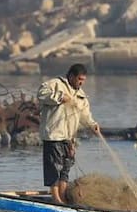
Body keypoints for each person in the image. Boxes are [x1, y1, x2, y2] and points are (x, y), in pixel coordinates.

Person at [37, 63, 101, 204]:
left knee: (65, 168)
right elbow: (41, 94)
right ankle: (56, 199)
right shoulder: (56, 84)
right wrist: (60, 97)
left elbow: (85, 115)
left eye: (83, 80)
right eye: (79, 79)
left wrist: (92, 125)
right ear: (71, 76)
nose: (81, 83)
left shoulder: (81, 95)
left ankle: (63, 196)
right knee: (54, 167)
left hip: (69, 137)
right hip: (54, 134)